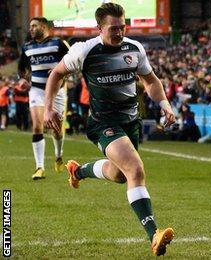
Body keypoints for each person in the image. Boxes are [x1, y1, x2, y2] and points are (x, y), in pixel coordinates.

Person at [42, 3, 175, 256]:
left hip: (130, 123)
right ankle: (154, 234)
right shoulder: (85, 50)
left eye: (122, 27)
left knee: (119, 175)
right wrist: (48, 108)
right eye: (113, 28)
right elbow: (56, 74)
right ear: (99, 28)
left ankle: (78, 171)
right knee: (135, 169)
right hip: (103, 123)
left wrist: (165, 104)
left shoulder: (135, 49)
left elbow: (150, 80)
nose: (119, 32)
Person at [17, 17, 69, 180]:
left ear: (44, 26)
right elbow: (22, 69)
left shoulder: (59, 44)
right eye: (30, 26)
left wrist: (59, 70)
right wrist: (24, 80)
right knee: (37, 126)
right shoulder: (27, 47)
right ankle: (39, 167)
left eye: (34, 26)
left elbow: (72, 63)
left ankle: (58, 155)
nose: (31, 29)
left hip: (56, 91)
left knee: (56, 129)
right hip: (37, 90)